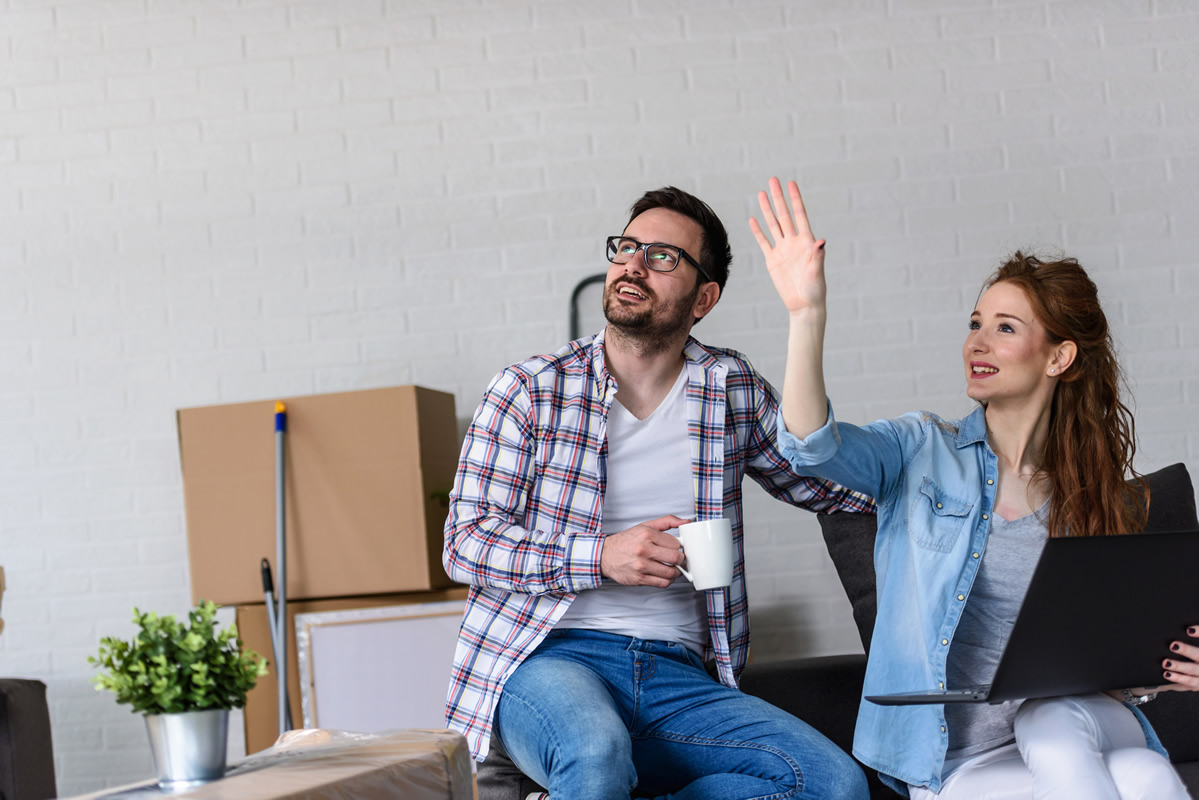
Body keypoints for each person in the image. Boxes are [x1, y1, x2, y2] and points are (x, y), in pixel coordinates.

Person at [750, 176, 1199, 799]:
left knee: (1050, 721)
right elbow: (810, 445)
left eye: (1005, 328)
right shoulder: (919, 449)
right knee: (1144, 773)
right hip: (960, 757)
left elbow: (1109, 659)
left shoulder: (1089, 491)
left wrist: (1164, 669)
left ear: (1059, 358)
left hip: (1078, 722)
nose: (977, 343)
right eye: (975, 323)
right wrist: (806, 314)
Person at [443, 186, 875, 800]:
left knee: (832, 784)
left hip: (679, 674)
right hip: (547, 658)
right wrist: (600, 557)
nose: (633, 266)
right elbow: (464, 544)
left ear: (704, 298)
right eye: (626, 248)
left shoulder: (730, 388)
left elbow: (835, 485)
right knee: (595, 755)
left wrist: (807, 316)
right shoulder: (529, 389)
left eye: (663, 256)